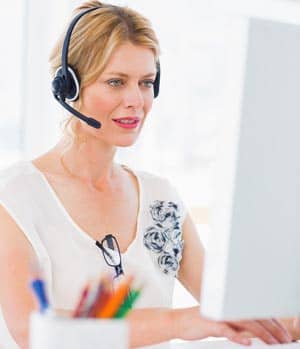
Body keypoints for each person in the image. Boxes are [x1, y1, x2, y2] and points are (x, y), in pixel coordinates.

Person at [0, 1, 298, 349]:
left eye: (146, 82)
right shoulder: (15, 196)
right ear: (68, 87)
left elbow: (243, 315)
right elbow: (30, 331)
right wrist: (178, 322)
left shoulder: (161, 197)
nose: (135, 100)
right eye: (116, 82)